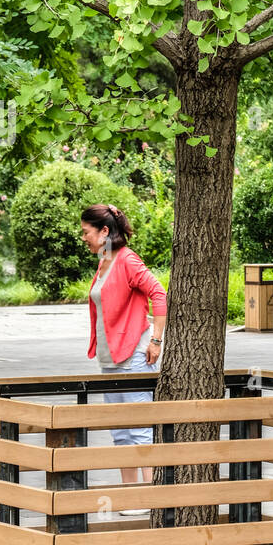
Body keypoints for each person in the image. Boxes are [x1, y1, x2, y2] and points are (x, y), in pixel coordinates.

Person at [81, 203, 167, 513]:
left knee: (139, 430)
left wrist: (156, 340)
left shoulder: (127, 260)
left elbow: (159, 294)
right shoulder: (104, 261)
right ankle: (131, 498)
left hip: (133, 356)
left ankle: (148, 499)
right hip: (109, 357)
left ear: (104, 231)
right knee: (120, 430)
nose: (84, 238)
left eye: (86, 232)